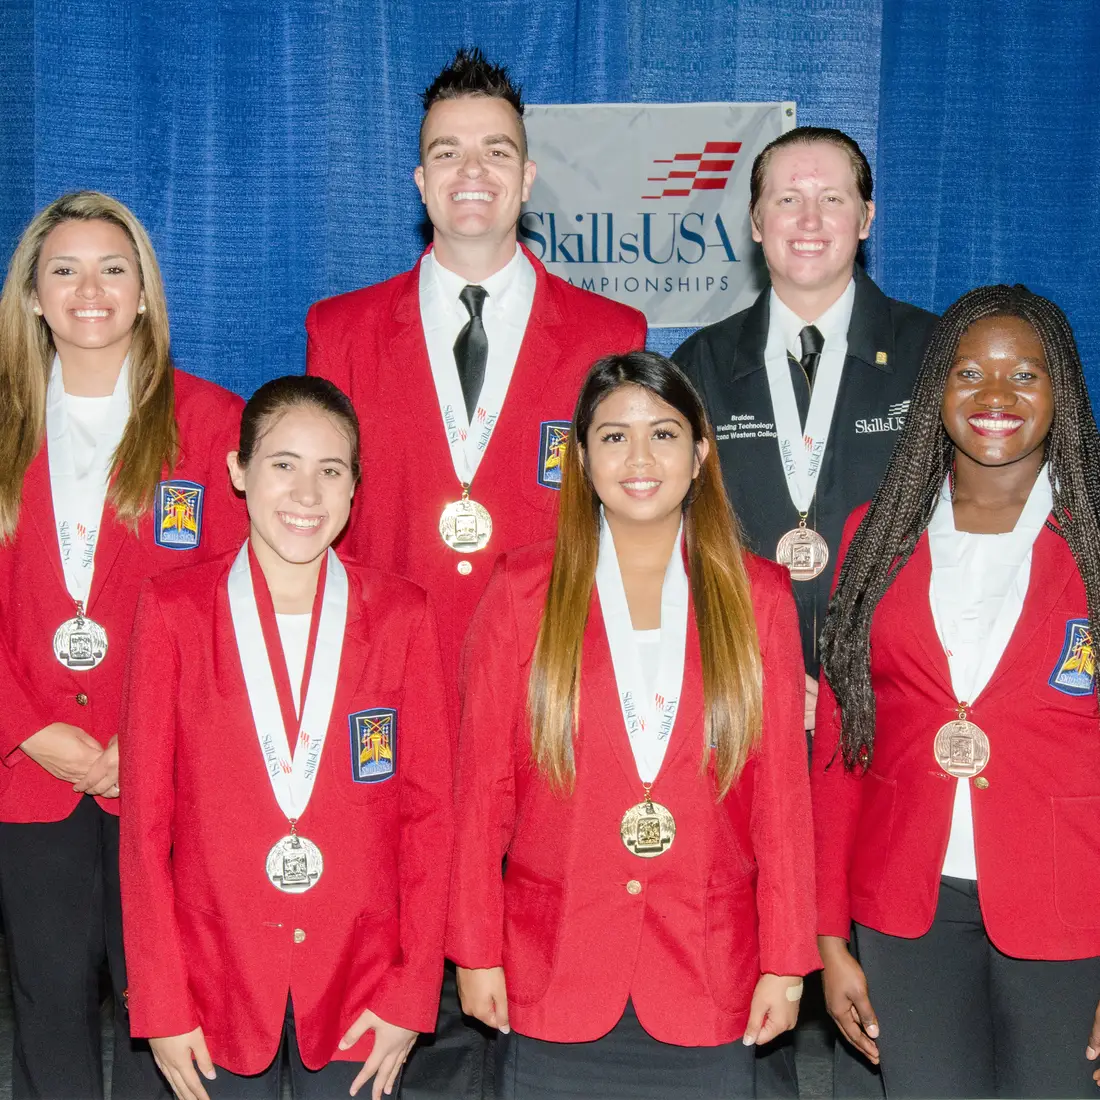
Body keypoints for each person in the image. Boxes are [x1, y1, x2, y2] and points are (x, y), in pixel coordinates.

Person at [305, 47, 645, 1097]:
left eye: (495, 151)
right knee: (398, 1017)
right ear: (416, 182)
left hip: (548, 711)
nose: (471, 172)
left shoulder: (608, 333)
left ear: (528, 177)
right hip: (390, 715)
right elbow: (320, 528)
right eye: (445, 152)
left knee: (537, 1013)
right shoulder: (340, 329)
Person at [447, 351, 819, 1099]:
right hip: (552, 968)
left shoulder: (761, 597)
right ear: (580, 459)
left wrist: (785, 959)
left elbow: (781, 797)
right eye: (613, 437)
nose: (640, 458)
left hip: (707, 973)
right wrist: (474, 950)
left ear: (701, 452)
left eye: (665, 434)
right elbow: (481, 791)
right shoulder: (523, 591)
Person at [119, 376, 454, 1100]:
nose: (307, 493)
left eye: (330, 471)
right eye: (283, 464)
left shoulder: (402, 615)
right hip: (213, 983)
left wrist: (412, 993)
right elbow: (144, 826)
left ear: (355, 488)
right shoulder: (173, 611)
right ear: (239, 472)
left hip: (361, 985)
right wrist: (160, 1002)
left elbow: (430, 819)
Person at [813, 285, 1100, 1098]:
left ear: (1062, 392)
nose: (996, 397)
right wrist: (829, 938)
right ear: (935, 387)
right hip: (908, 907)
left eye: (1025, 376)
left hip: (1071, 905)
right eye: (969, 373)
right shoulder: (877, 536)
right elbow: (839, 749)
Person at [0, 191, 246, 1099]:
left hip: (163, 776)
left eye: (113, 268)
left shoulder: (214, 424)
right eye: (64, 269)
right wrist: (31, 729)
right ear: (31, 294)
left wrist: (140, 740)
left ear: (145, 292)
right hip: (28, 772)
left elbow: (232, 605)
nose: (89, 289)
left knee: (164, 1017)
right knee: (47, 1008)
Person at [674, 126, 937, 727]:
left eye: (833, 199)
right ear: (756, 222)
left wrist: (867, 689)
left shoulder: (934, 356)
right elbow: (673, 543)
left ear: (866, 218)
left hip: (897, 710)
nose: (810, 219)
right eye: (788, 199)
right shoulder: (700, 366)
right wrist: (752, 674)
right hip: (743, 706)